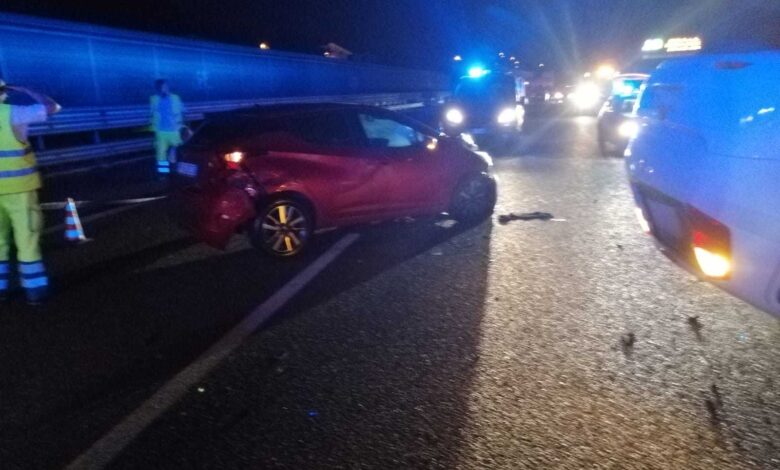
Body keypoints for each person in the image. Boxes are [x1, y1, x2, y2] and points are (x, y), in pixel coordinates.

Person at [0, 79, 61, 305]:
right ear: (4, 92)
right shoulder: (14, 113)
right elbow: (53, 107)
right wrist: (27, 89)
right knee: (27, 240)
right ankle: (35, 293)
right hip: (20, 189)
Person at [150, 79, 185, 175]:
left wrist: (181, 126)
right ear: (158, 88)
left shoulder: (175, 98)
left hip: (174, 130)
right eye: (162, 87)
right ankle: (163, 174)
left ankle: (177, 171)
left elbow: (183, 111)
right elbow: (152, 114)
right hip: (161, 132)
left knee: (177, 152)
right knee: (161, 155)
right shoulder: (154, 99)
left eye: (166, 86)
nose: (165, 88)